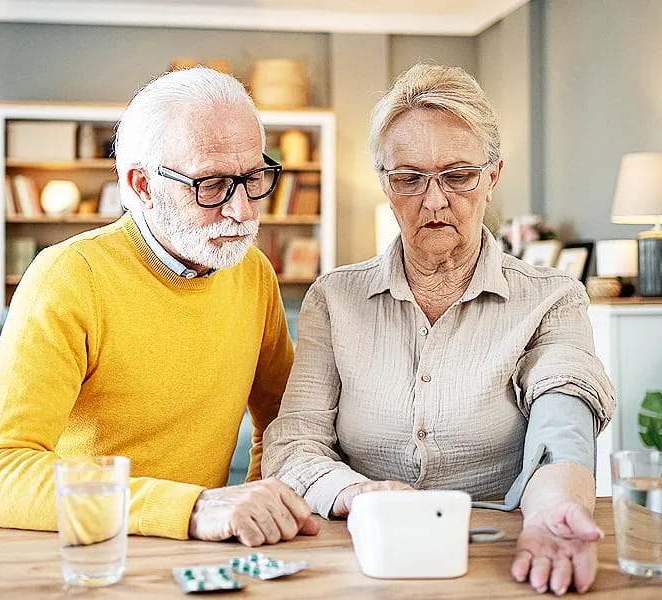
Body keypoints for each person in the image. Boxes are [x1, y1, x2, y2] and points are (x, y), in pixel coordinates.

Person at [262, 63, 615, 594]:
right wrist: (356, 494)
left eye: (457, 175)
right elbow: (294, 443)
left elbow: (562, 423)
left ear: (492, 176)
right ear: (384, 182)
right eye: (408, 178)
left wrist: (556, 511)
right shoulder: (334, 299)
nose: (434, 200)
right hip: (362, 557)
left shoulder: (551, 297)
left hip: (499, 554)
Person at [0, 67, 318, 546]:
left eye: (254, 176)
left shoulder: (253, 272)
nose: (244, 211)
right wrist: (191, 509)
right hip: (89, 553)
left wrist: (258, 501)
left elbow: (283, 423)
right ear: (142, 186)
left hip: (198, 553)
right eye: (211, 185)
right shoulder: (69, 276)